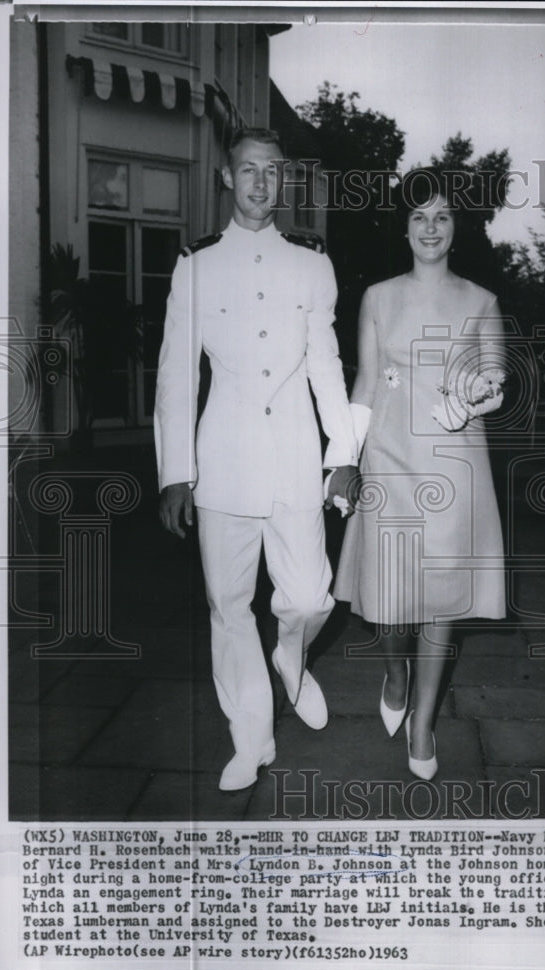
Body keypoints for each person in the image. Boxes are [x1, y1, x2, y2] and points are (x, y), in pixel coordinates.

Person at [154, 127, 358, 792]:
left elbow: (326, 366)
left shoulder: (310, 261)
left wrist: (342, 453)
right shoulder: (196, 263)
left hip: (298, 458)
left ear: (283, 180)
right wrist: (176, 472)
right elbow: (176, 376)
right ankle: (252, 737)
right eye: (248, 170)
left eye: (272, 172)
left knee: (306, 597)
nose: (260, 183)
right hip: (222, 464)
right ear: (226, 177)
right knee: (228, 605)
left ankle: (291, 658)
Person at [334, 171, 506, 780]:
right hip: (387, 455)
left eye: (441, 217)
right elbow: (363, 383)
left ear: (457, 227)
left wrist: (474, 399)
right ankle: (396, 671)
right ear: (404, 228)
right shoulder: (378, 297)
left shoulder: (481, 300)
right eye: (418, 217)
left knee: (440, 599)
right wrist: (344, 460)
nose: (430, 228)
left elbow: (496, 380)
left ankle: (424, 723)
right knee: (391, 598)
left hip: (454, 463)